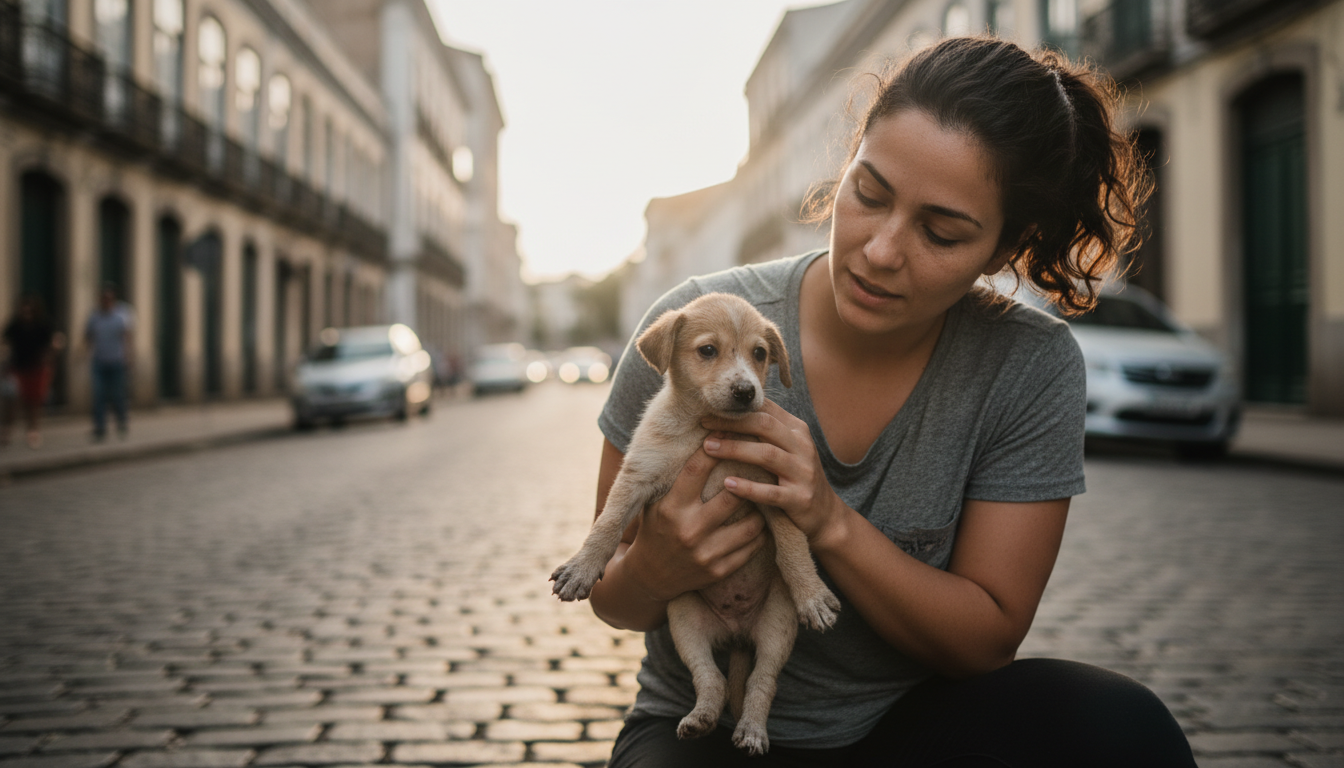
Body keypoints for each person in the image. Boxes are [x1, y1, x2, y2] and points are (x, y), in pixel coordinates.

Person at [588, 37, 1196, 767]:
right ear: (845, 168)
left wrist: (828, 521)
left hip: (912, 724)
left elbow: (987, 638)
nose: (880, 249)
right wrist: (658, 562)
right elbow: (612, 602)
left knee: (1122, 730)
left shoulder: (1030, 365)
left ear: (1006, 247)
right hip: (706, 733)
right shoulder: (693, 326)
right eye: (868, 194)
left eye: (941, 231)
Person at [2, 294, 58, 449]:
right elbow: (5, 340)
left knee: (33, 402)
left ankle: (33, 431)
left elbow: (55, 341)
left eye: (30, 309)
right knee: (11, 399)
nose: (27, 312)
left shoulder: (43, 325)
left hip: (36, 368)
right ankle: (7, 430)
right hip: (17, 367)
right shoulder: (15, 325)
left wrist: (50, 354)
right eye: (24, 308)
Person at [85, 283, 135, 441]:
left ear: (113, 299)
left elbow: (127, 337)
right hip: (99, 361)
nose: (106, 301)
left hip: (117, 361)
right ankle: (100, 428)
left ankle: (121, 423)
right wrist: (85, 352)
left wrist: (129, 356)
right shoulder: (94, 316)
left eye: (109, 298)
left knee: (117, 395)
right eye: (103, 298)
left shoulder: (122, 315)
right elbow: (88, 336)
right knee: (98, 395)